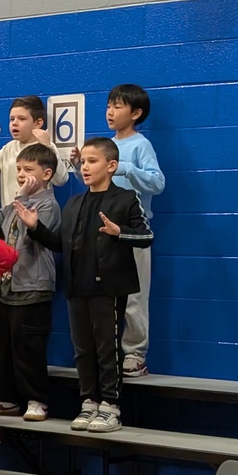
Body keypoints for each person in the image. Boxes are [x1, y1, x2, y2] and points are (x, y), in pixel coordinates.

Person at [16, 137, 153, 433]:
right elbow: (61, 244)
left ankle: (111, 406)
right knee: (83, 349)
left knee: (107, 347)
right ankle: (89, 401)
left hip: (109, 288)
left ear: (112, 166)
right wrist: (36, 228)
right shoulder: (75, 202)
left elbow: (146, 236)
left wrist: (120, 233)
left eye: (93, 161)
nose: (85, 167)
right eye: (83, 161)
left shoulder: (125, 199)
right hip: (77, 286)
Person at [0, 145, 61, 422]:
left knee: (28, 347)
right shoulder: (18, 201)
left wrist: (22, 200)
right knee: (2, 345)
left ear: (47, 174)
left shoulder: (48, 204)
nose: (21, 174)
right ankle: (6, 397)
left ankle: (36, 399)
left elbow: (29, 237)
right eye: (18, 169)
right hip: (6, 287)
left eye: (28, 170)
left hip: (33, 286)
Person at [103, 84, 164, 378]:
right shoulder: (105, 146)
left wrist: (127, 168)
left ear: (136, 113)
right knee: (107, 296)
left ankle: (135, 354)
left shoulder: (140, 145)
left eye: (118, 107)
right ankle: (109, 352)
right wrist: (80, 164)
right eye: (109, 106)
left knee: (135, 298)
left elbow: (157, 183)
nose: (110, 112)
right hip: (105, 231)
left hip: (134, 231)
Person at [0, 95, 71, 208]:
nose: (14, 123)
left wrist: (48, 147)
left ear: (38, 123)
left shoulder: (45, 147)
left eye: (22, 119)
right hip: (10, 216)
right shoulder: (9, 148)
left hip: (37, 215)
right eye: (12, 119)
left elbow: (61, 180)